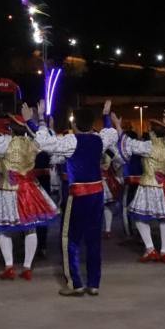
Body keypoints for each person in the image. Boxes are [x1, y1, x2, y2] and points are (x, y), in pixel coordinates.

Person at [0, 101, 59, 281]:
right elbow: (46, 137)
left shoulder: (4, 143)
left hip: (8, 190)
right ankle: (27, 267)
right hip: (29, 189)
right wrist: (38, 119)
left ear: (11, 128)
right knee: (30, 229)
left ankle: (9, 266)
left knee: (3, 229)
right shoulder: (33, 143)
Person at [33, 100, 118, 296]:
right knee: (94, 240)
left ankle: (75, 283)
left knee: (69, 239)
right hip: (97, 194)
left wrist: (40, 120)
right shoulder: (99, 140)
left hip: (79, 195)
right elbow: (111, 132)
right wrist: (106, 115)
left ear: (74, 125)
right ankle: (94, 284)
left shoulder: (72, 141)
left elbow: (44, 144)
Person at [113, 117, 165, 262]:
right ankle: (164, 251)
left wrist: (117, 125)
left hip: (148, 185)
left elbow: (126, 142)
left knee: (139, 218)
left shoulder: (148, 146)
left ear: (151, 131)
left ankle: (150, 248)